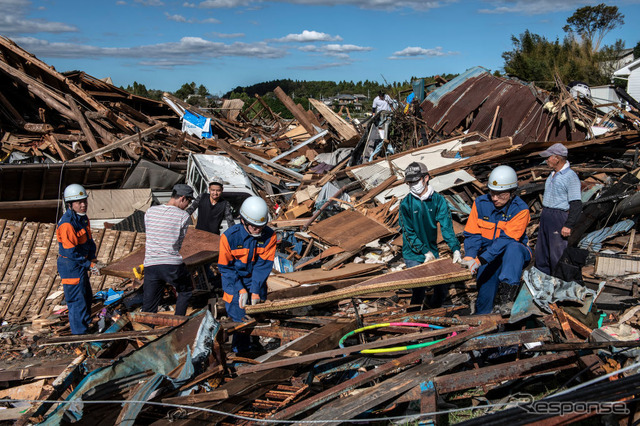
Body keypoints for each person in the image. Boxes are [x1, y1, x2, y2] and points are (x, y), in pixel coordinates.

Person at [462, 165, 531, 316]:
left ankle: (506, 298)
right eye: (492, 193)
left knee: (513, 247)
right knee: (484, 297)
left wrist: (480, 260)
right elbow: (473, 233)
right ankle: (482, 325)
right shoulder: (480, 203)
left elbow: (506, 240)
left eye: (500, 195)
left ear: (512, 192)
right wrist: (470, 255)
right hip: (488, 256)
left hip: (512, 256)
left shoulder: (520, 209)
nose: (494, 198)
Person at [399, 162, 462, 310]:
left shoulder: (438, 200)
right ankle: (413, 318)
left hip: (432, 250)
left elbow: (447, 227)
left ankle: (431, 313)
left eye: (415, 181)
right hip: (413, 253)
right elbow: (408, 233)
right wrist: (423, 251)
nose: (413, 185)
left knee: (441, 289)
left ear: (426, 178)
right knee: (419, 289)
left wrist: (455, 248)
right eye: (410, 182)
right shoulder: (405, 204)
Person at [218, 196, 276, 352]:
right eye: (255, 227)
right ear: (243, 221)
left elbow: (262, 266)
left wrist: (255, 290)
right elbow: (225, 267)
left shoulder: (269, 236)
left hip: (255, 279)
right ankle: (240, 351)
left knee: (258, 314)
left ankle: (254, 343)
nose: (259, 231)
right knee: (240, 320)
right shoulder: (229, 237)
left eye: (261, 227)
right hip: (233, 280)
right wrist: (240, 289)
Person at [142, 184, 195, 316]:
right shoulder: (183, 216)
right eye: (188, 202)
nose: (187, 206)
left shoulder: (150, 212)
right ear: (182, 198)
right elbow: (178, 243)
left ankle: (145, 333)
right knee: (186, 290)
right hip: (171, 264)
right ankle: (178, 322)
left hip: (150, 264)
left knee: (150, 304)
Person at [56, 184, 101, 335]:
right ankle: (79, 335)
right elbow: (71, 252)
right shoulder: (67, 224)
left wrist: (93, 258)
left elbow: (88, 240)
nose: (83, 205)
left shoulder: (82, 218)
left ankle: (85, 326)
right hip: (71, 265)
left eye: (84, 201)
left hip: (80, 263)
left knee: (87, 296)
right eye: (79, 202)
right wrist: (89, 264)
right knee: (77, 300)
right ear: (70, 204)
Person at [535, 143, 582, 276]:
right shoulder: (552, 175)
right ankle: (543, 281)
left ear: (557, 158)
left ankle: (560, 283)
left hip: (559, 216)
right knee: (542, 251)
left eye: (548, 157)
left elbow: (576, 203)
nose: (546, 160)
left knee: (557, 253)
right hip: (547, 215)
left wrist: (569, 225)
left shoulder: (570, 177)